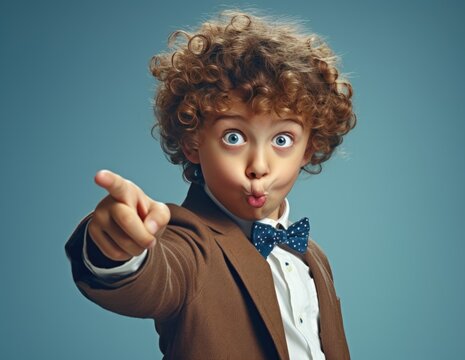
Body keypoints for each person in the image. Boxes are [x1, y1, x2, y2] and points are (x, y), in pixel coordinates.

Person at [65, 9, 356, 360]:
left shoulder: (315, 258)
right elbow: (155, 278)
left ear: (309, 148)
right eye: (234, 137)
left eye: (282, 140)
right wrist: (117, 248)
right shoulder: (188, 242)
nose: (259, 167)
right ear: (192, 143)